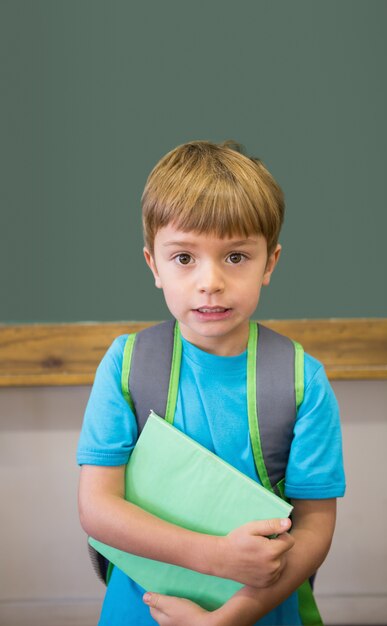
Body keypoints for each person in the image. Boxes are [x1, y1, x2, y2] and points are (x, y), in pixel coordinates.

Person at [77, 140, 345, 626]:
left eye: (237, 257)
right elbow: (98, 507)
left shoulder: (303, 381)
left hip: (264, 609)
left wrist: (233, 616)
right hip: (142, 610)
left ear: (270, 263)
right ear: (152, 265)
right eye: (184, 258)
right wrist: (213, 556)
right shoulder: (126, 365)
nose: (210, 281)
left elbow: (315, 525)